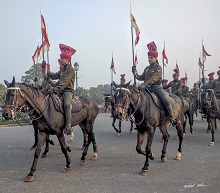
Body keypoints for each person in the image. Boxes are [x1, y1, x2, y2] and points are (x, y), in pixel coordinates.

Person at [132, 41, 180, 126]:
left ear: (155, 58)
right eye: (148, 57)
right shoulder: (147, 68)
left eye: (151, 57)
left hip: (156, 88)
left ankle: (172, 118)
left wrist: (144, 84)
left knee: (166, 101)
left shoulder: (158, 68)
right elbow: (140, 77)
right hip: (147, 88)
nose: (149, 59)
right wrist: (135, 72)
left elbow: (153, 79)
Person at [47, 44, 76, 135]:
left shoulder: (71, 70)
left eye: (63, 59)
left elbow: (63, 84)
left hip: (67, 91)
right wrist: (46, 70)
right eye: (61, 59)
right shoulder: (62, 70)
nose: (61, 60)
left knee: (67, 104)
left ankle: (68, 126)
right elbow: (54, 76)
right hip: (60, 90)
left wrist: (53, 89)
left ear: (67, 60)